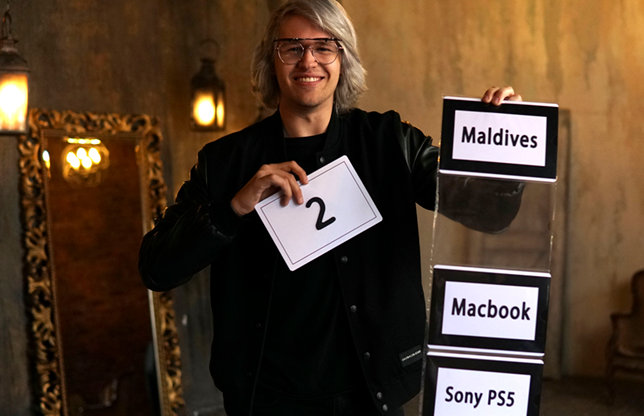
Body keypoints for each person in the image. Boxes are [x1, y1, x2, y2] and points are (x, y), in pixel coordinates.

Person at [139, 0, 523, 415]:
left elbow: (492, 213)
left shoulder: (391, 141)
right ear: (271, 61)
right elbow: (156, 269)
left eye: (324, 46)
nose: (308, 60)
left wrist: (505, 148)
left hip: (374, 392)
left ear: (343, 59)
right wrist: (232, 209)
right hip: (267, 398)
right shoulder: (224, 161)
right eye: (292, 47)